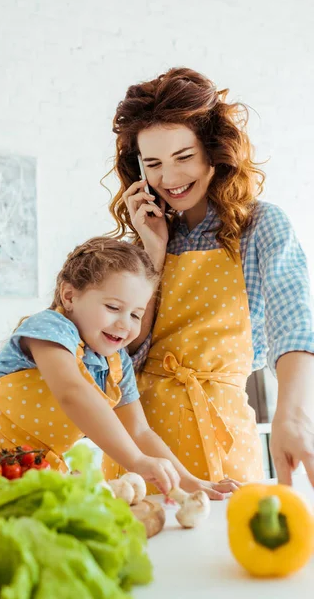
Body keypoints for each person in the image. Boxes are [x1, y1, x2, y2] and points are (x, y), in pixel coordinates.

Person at [0, 237, 237, 525]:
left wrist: (189, 481)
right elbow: (72, 392)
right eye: (113, 307)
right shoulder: (49, 328)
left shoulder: (116, 365)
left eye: (136, 314)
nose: (125, 324)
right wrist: (136, 462)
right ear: (69, 295)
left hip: (17, 483)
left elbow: (139, 431)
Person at [105, 67, 314, 487]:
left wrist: (292, 413)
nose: (170, 179)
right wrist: (153, 253)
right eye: (154, 164)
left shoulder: (261, 226)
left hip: (224, 440)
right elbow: (125, 354)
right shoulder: (142, 245)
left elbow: (294, 321)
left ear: (213, 151)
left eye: (184, 157)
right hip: (141, 449)